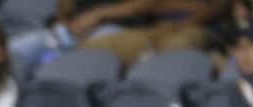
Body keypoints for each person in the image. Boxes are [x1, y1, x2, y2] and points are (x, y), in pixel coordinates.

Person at [82, 0, 232, 69]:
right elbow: (156, 4)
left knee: (174, 50)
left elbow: (218, 7)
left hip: (200, 28)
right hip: (160, 28)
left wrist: (182, 23)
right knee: (97, 46)